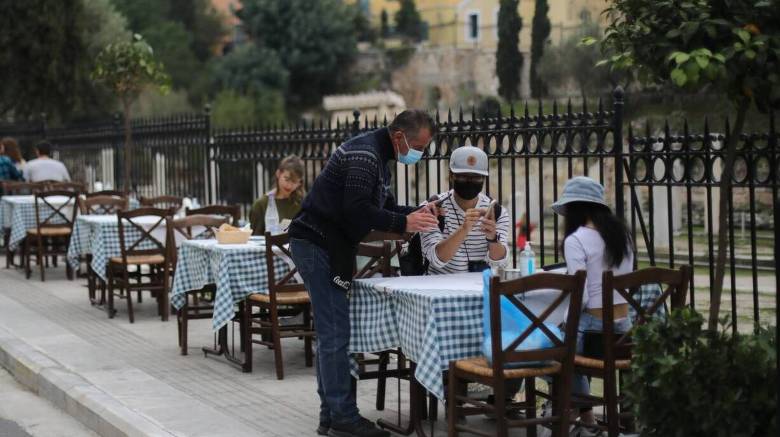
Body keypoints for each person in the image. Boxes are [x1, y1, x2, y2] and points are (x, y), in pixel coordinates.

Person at [289, 109, 440, 437]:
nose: (420, 154)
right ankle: (342, 416)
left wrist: (416, 213)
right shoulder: (366, 156)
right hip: (316, 244)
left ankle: (331, 415)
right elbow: (356, 210)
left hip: (327, 246)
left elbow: (382, 209)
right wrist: (404, 223)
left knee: (333, 333)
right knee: (334, 333)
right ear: (399, 137)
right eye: (419, 146)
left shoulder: (378, 157)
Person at [551, 176, 633, 434]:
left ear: (573, 210)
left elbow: (581, 297)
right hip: (625, 332)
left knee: (551, 351)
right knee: (563, 343)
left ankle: (581, 414)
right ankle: (590, 417)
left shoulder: (576, 240)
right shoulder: (623, 237)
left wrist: (563, 321)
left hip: (596, 334)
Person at [420, 145, 510, 275]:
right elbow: (436, 259)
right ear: (451, 176)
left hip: (479, 286)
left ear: (484, 179)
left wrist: (492, 239)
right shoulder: (433, 207)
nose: (470, 182)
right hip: (440, 288)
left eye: (476, 177)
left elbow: (500, 262)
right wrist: (464, 229)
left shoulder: (496, 211)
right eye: (463, 176)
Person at [249, 155, 304, 235]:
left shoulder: (302, 204)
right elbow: (254, 241)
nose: (289, 185)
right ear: (278, 174)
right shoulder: (260, 205)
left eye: (294, 182)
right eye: (287, 179)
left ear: (299, 183)